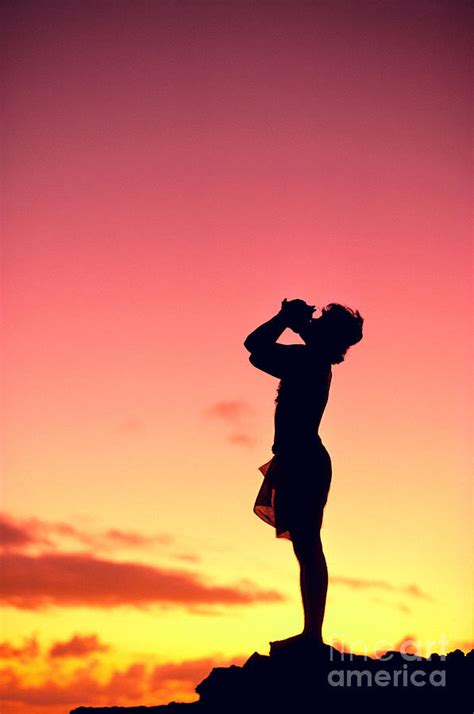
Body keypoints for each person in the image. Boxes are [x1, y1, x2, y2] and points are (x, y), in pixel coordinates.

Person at [244, 298, 363, 649]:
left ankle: (312, 634)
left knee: (309, 546)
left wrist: (285, 317)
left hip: (303, 461)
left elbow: (254, 347)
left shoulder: (308, 360)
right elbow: (258, 354)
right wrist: (298, 324)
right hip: (303, 459)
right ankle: (311, 632)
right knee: (307, 547)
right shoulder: (315, 359)